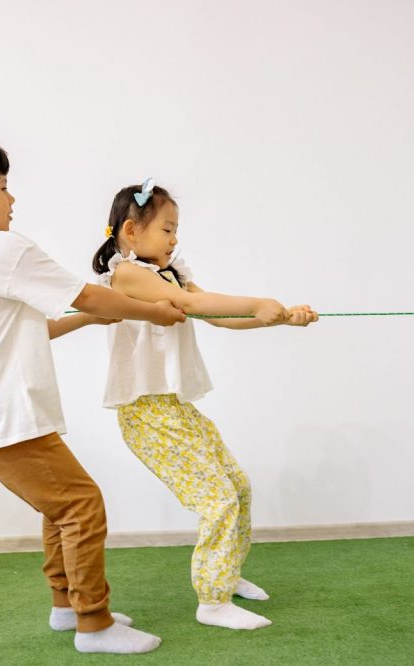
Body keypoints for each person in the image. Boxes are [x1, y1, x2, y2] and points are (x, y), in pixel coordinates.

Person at [0, 135, 186, 654]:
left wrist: (96, 318)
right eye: (4, 187)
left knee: (62, 509)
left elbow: (40, 326)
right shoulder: (1, 249)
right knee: (81, 505)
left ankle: (67, 606)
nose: (12, 200)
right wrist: (156, 307)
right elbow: (87, 292)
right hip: (0, 414)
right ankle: (94, 625)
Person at [92, 178, 318, 631]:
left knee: (237, 486)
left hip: (173, 406)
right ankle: (211, 601)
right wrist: (258, 302)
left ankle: (226, 574)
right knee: (217, 500)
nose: (175, 239)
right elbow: (188, 303)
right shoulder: (125, 274)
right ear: (132, 231)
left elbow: (213, 315)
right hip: (146, 411)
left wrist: (277, 319)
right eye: (167, 229)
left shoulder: (172, 270)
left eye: (176, 231)